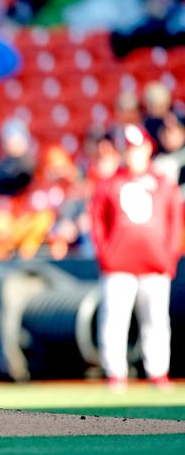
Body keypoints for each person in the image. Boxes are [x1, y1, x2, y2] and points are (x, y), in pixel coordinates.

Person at [89, 124, 183, 390]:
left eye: (136, 148)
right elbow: (97, 221)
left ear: (147, 148)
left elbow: (174, 221)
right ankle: (115, 373)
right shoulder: (110, 182)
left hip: (154, 264)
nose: (132, 154)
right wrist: (105, 254)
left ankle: (158, 372)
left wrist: (169, 255)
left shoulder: (163, 182)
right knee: (115, 319)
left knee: (156, 319)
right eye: (127, 149)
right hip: (119, 265)